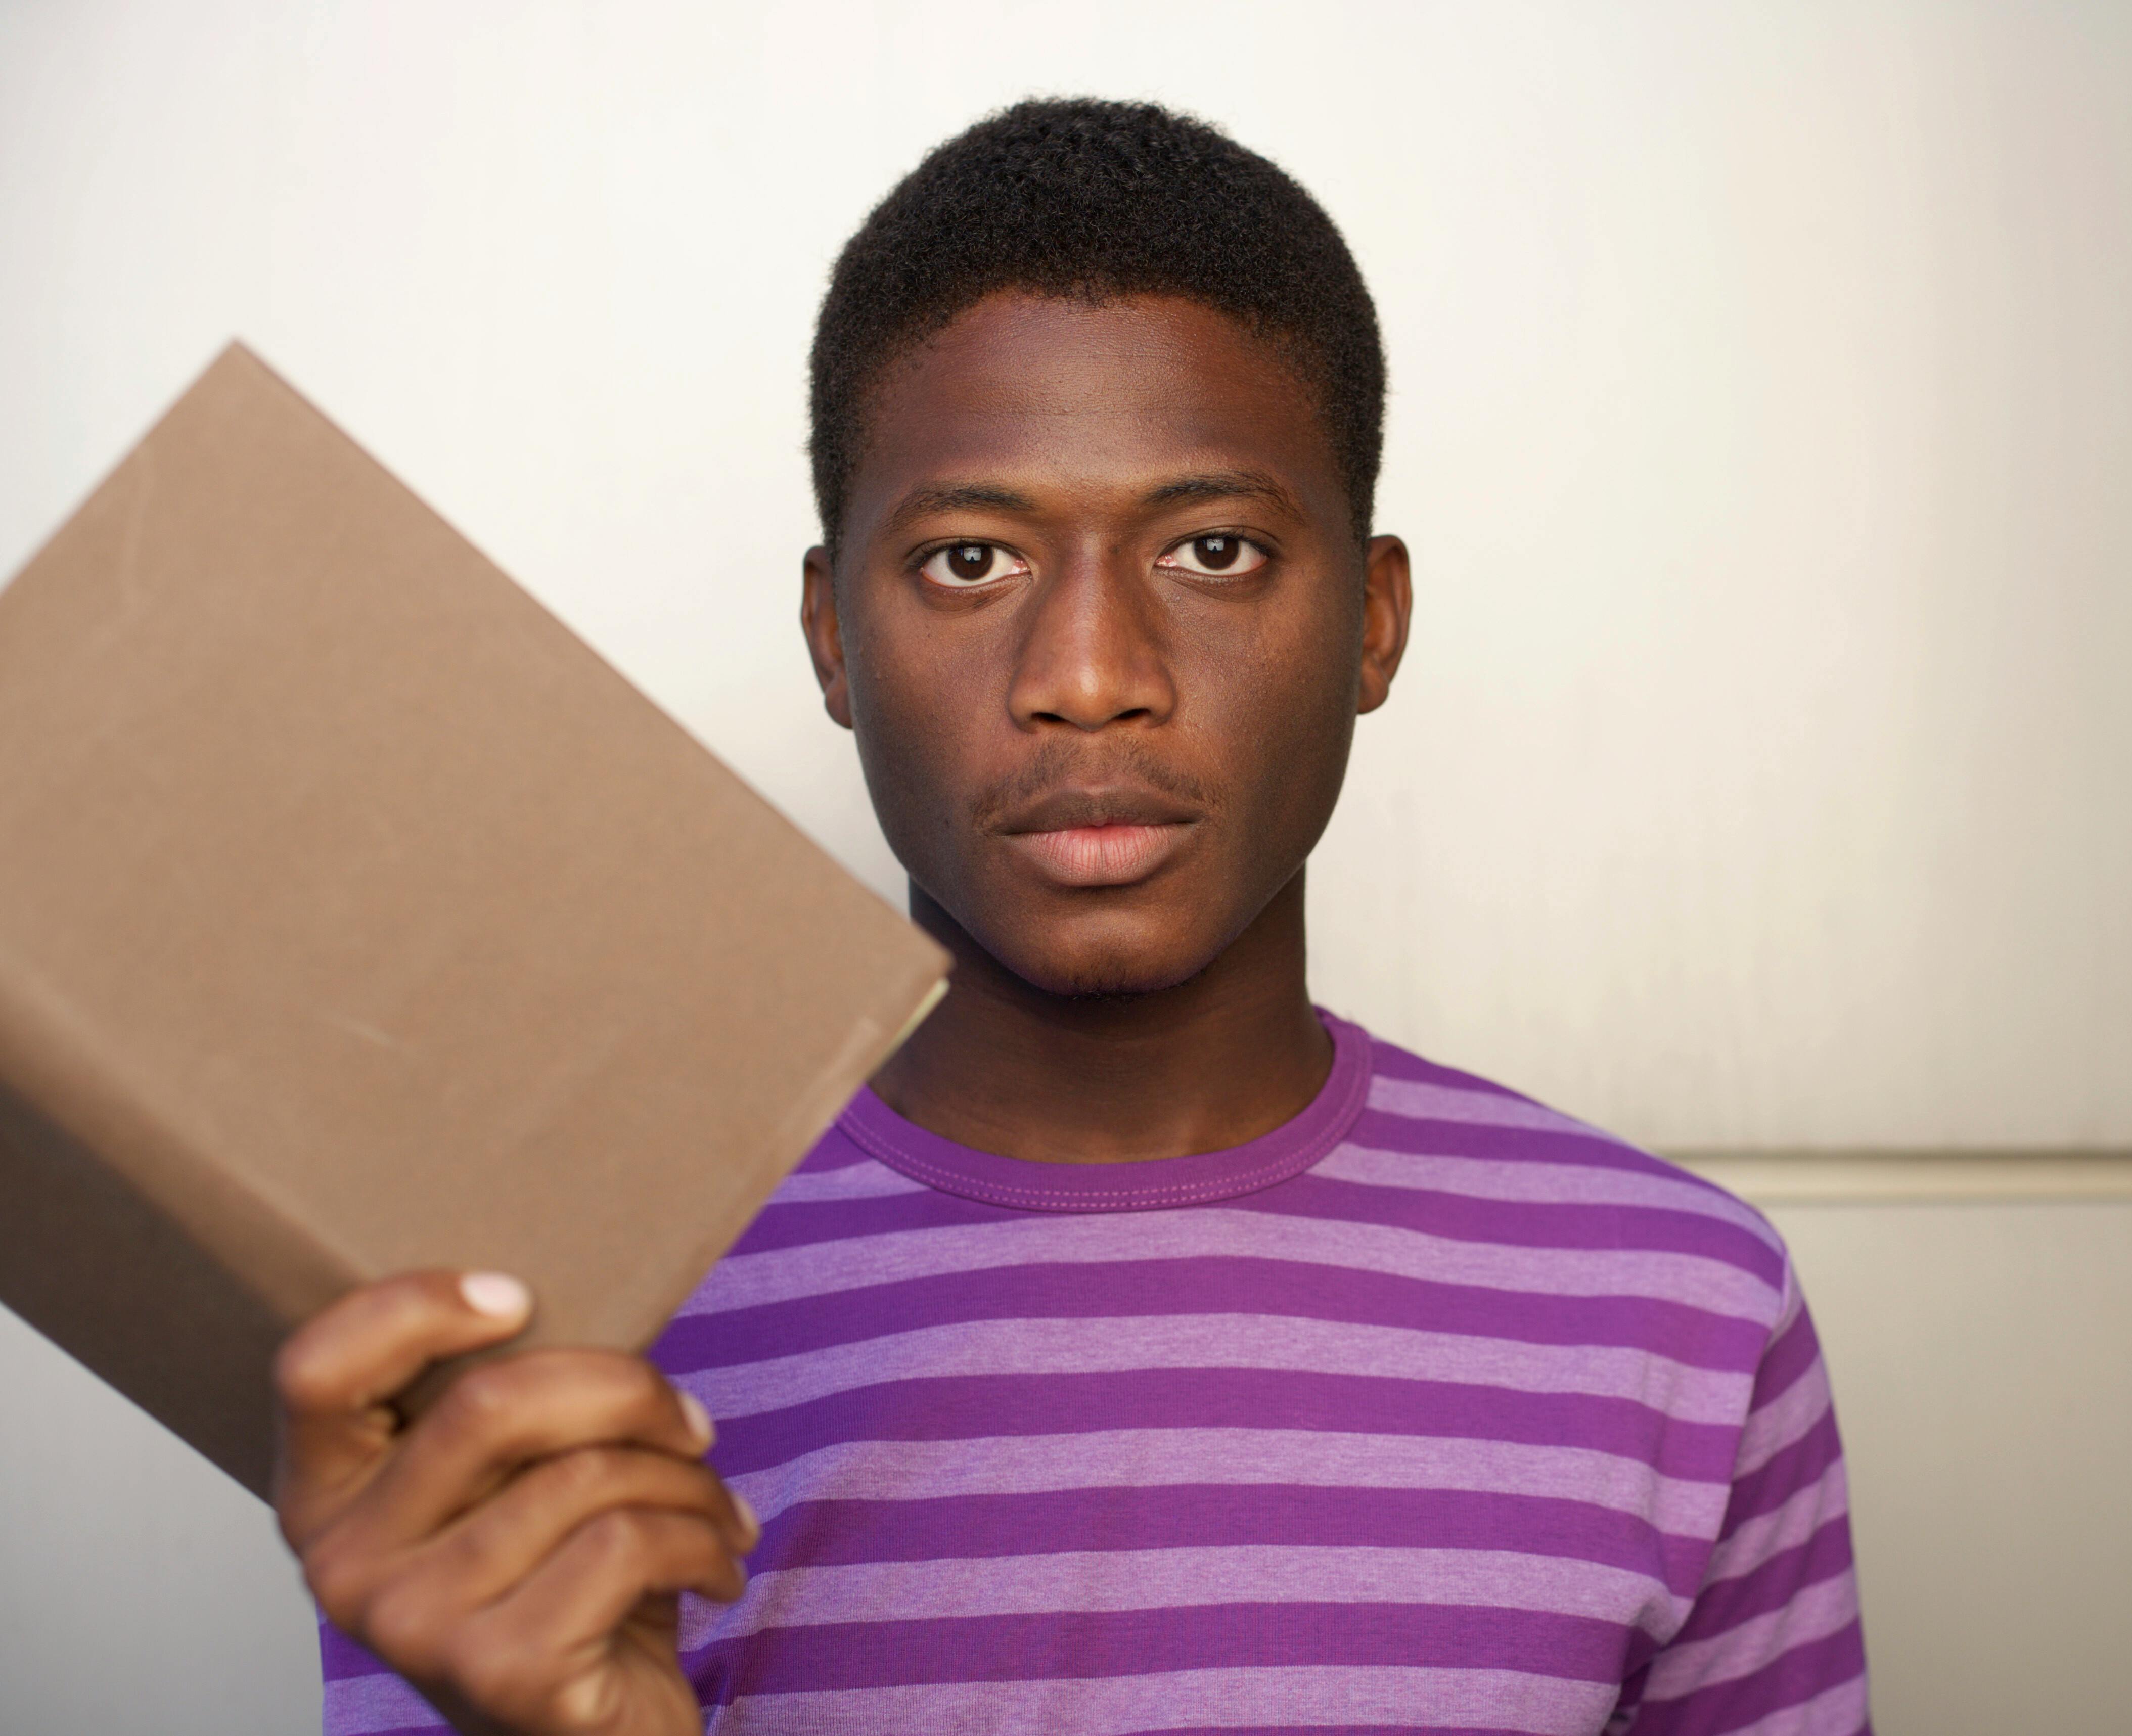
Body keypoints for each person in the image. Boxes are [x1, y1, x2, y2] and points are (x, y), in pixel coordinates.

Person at [277, 98, 1870, 1736]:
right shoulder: (559, 1335)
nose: (1090, 677)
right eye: (971, 560)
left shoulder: (1682, 1312)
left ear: (1375, 622)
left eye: (1213, 548)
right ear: (833, 635)